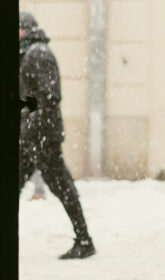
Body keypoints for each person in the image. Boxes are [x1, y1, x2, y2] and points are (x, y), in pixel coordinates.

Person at [19, 10, 96, 259]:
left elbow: (48, 96)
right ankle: (84, 239)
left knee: (62, 186)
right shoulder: (29, 53)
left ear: (23, 30)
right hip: (33, 135)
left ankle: (84, 240)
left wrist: (29, 116)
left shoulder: (38, 53)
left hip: (42, 135)